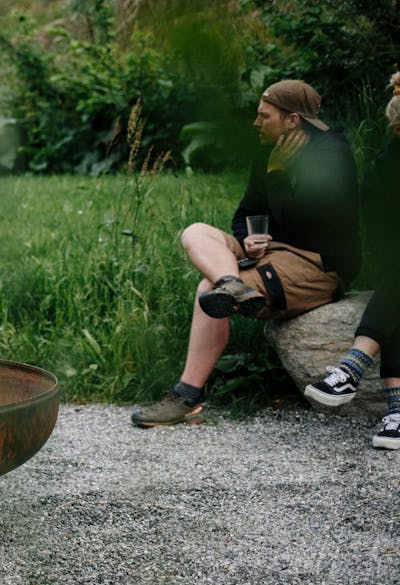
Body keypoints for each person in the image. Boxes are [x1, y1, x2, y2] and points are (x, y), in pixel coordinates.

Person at [132, 80, 360, 426]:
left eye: (263, 116)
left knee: (206, 292)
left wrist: (280, 175)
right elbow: (245, 216)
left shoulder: (332, 155)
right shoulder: (270, 153)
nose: (255, 124)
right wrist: (250, 240)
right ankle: (231, 282)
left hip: (318, 263)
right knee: (195, 232)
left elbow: (310, 220)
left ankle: (187, 397)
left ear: (292, 120)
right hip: (272, 252)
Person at [302, 73, 400, 449]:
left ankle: (351, 368)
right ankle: (396, 411)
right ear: (395, 129)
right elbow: (382, 240)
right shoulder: (384, 172)